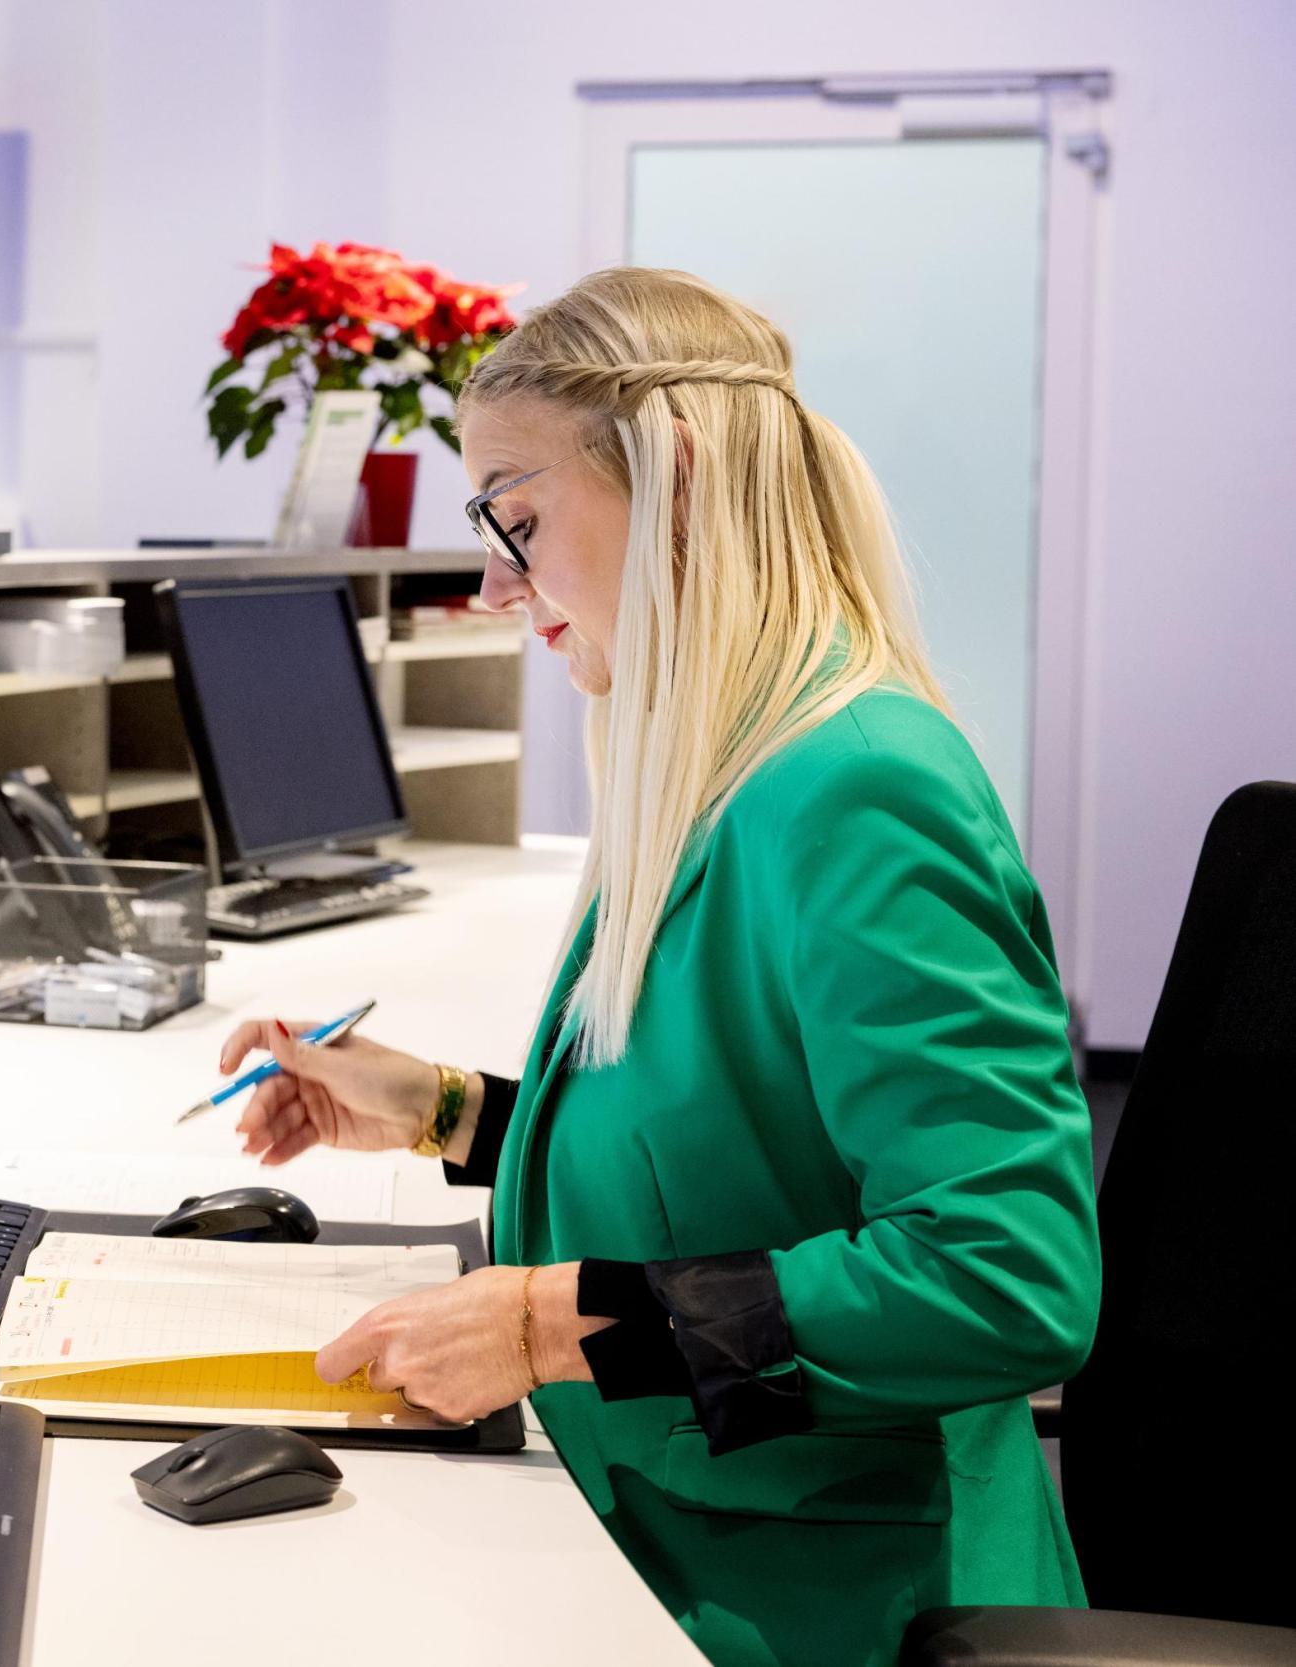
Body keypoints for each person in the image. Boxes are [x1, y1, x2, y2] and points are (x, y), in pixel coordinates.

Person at [218, 267, 1099, 1667]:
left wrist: (546, 1320)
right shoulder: (713, 766)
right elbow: (741, 1149)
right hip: (670, 1511)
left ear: (674, 481)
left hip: (837, 1592)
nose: (494, 581)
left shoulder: (859, 789)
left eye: (517, 519)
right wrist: (446, 1111)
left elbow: (1005, 1275)